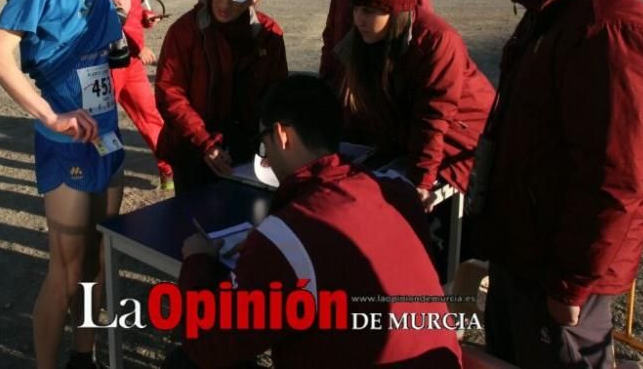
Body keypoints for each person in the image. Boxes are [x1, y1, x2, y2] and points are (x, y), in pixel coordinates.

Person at [458, 0, 643, 369]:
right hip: (524, 257)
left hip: (559, 276)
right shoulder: (551, 14)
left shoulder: (605, 29)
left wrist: (573, 282)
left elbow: (618, 175)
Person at [0, 0, 164, 369]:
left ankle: (83, 356)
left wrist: (122, 19)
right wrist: (50, 115)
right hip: (65, 142)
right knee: (63, 273)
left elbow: (108, 56)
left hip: (105, 136)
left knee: (96, 263)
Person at [173, 75, 462, 368]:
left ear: (282, 135)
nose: (267, 159)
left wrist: (198, 261)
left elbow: (208, 343)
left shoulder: (289, 237)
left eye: (264, 145)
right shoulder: (396, 192)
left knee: (184, 363)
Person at [336, 0, 494, 205]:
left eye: (370, 11)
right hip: (411, 142)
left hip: (459, 141)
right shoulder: (368, 39)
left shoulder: (438, 40)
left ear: (397, 12)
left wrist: (420, 181)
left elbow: (434, 115)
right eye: (356, 9)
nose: (359, 19)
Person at [155, 0, 288, 194]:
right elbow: (170, 92)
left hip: (250, 151)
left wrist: (270, 144)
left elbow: (277, 94)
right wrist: (205, 143)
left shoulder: (269, 34)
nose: (224, 5)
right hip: (192, 147)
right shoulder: (185, 31)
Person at [110, 0, 174, 189]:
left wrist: (146, 16)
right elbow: (111, 16)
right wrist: (139, 46)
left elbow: (131, 10)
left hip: (132, 64)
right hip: (109, 62)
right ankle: (97, 176)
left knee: (151, 116)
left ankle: (169, 169)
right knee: (102, 122)